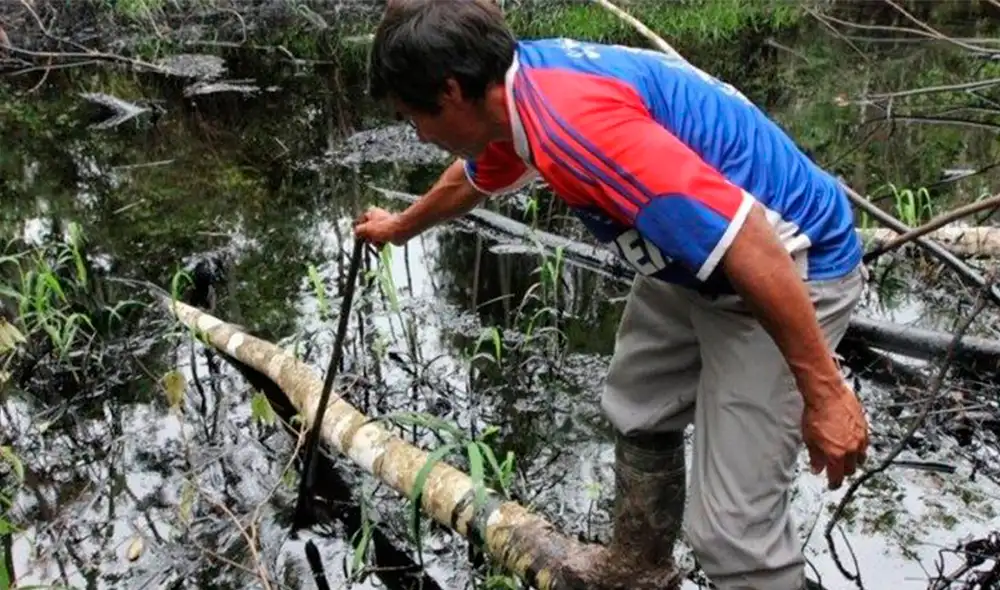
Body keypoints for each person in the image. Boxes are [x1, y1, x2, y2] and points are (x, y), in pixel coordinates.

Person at [354, 1, 871, 589]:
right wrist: (401, 227)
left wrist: (825, 393)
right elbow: (471, 177)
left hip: (786, 268)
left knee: (732, 532)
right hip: (697, 260)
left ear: (450, 92)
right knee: (638, 400)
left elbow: (752, 243)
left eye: (412, 119)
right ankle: (639, 567)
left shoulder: (579, 133)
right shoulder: (513, 95)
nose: (420, 136)